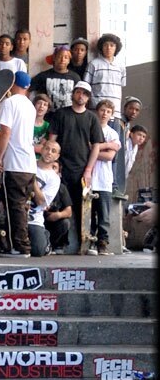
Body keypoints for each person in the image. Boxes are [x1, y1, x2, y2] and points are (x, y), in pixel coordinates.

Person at [48, 81, 104, 249]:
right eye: (78, 92)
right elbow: (52, 141)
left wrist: (88, 170)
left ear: (88, 98)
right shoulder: (60, 114)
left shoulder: (92, 118)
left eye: (85, 94)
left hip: (82, 170)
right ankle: (57, 245)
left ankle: (86, 245)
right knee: (58, 205)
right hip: (61, 169)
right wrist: (53, 166)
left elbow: (96, 146)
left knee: (85, 209)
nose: (81, 96)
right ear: (73, 94)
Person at [0, 71, 37, 258]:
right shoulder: (30, 106)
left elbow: (5, 133)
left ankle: (18, 246)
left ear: (12, 83)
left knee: (14, 207)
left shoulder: (9, 103)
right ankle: (22, 243)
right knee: (22, 206)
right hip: (29, 164)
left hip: (14, 163)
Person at [84, 99, 121, 256]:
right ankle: (90, 243)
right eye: (102, 110)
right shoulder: (89, 127)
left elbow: (109, 157)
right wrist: (106, 145)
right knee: (89, 213)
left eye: (108, 111)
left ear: (111, 115)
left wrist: (95, 148)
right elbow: (84, 149)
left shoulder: (112, 133)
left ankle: (103, 244)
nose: (104, 114)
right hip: (89, 178)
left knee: (103, 215)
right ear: (96, 111)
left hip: (104, 179)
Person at [28, 140, 62, 257]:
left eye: (53, 151)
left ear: (57, 156)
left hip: (34, 218)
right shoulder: (29, 164)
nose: (49, 153)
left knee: (38, 251)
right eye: (47, 149)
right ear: (41, 150)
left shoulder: (54, 178)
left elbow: (41, 201)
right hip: (18, 215)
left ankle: (45, 236)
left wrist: (32, 179)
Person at [83, 32, 126, 118]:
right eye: (105, 45)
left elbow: (121, 86)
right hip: (96, 110)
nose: (108, 48)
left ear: (116, 48)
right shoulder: (93, 64)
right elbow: (85, 86)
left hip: (115, 111)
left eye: (112, 45)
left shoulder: (121, 66)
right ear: (101, 47)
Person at [30, 46, 81, 115]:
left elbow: (80, 96)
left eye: (66, 57)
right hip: (48, 116)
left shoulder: (75, 77)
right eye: (60, 56)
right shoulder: (43, 76)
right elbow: (28, 89)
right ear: (54, 58)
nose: (62, 60)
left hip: (69, 116)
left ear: (69, 60)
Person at [112, 96, 143, 193]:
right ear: (125, 108)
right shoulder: (117, 122)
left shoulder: (127, 125)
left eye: (137, 110)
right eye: (131, 108)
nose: (134, 112)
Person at [44, 159, 73, 254]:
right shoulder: (38, 184)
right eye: (50, 167)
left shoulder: (61, 188)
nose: (52, 170)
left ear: (59, 172)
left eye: (54, 168)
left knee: (65, 223)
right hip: (39, 220)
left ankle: (55, 244)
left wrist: (58, 215)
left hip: (54, 221)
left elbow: (69, 211)